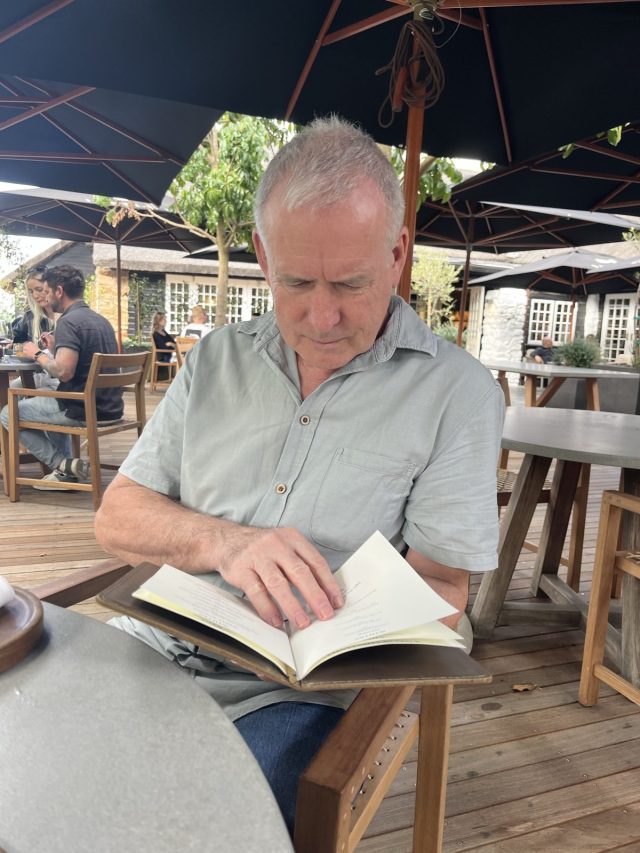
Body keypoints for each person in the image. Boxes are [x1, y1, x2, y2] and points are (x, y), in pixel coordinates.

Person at [95, 117, 504, 833]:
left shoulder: (457, 394)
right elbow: (118, 518)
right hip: (154, 643)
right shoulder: (216, 359)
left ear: (398, 254)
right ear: (261, 255)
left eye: (350, 282)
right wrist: (225, 543)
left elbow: (444, 591)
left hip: (301, 691)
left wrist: (333, 628)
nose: (322, 316)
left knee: (218, 825)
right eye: (295, 282)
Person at [0, 265, 122, 490]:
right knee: (47, 396)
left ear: (59, 291)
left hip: (82, 409)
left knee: (8, 413)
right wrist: (57, 347)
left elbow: (64, 372)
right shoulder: (100, 321)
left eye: (46, 291)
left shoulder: (68, 321)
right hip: (111, 407)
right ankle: (66, 469)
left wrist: (36, 354)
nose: (44, 297)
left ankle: (63, 465)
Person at [10, 266, 59, 390]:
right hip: (38, 374)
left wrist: (39, 352)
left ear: (51, 288)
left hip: (59, 378)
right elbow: (17, 343)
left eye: (39, 289)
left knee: (16, 393)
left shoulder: (67, 318)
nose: (35, 295)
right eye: (31, 291)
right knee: (10, 388)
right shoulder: (30, 317)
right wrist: (22, 347)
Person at [151, 311, 176, 380]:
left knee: (182, 358)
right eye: (163, 319)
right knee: (180, 360)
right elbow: (164, 348)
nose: (166, 321)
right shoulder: (155, 334)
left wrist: (170, 344)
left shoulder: (164, 332)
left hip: (169, 355)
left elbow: (174, 343)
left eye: (165, 319)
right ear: (158, 321)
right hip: (163, 357)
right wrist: (171, 345)